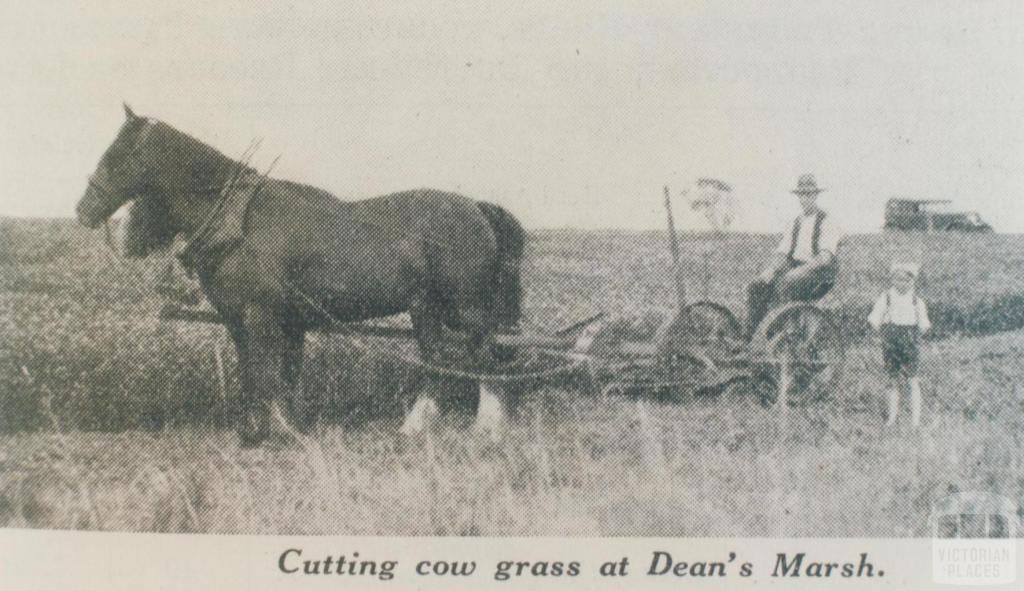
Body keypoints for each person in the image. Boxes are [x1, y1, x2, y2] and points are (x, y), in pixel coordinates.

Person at [746, 173, 842, 336]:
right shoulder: (795, 222)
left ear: (815, 195)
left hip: (820, 273)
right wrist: (771, 270)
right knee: (757, 285)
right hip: (796, 268)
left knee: (786, 284)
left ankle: (785, 335)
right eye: (802, 195)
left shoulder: (827, 221)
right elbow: (783, 253)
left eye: (809, 194)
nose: (805, 199)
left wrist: (799, 271)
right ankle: (750, 337)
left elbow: (825, 258)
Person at [867, 262, 931, 427]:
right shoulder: (886, 298)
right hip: (891, 342)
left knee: (912, 380)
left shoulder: (917, 301)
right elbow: (874, 319)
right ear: (892, 279)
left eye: (907, 280)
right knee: (892, 380)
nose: (902, 283)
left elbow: (924, 325)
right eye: (898, 279)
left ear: (913, 281)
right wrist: (882, 333)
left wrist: (914, 337)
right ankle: (891, 418)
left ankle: (915, 420)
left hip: (910, 342)